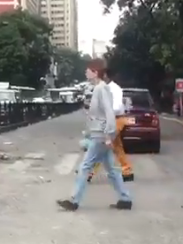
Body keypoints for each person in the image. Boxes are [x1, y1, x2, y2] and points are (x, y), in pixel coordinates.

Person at [57, 59, 132, 211]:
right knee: (111, 170)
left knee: (85, 167)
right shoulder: (99, 88)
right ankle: (125, 198)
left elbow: (109, 114)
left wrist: (108, 135)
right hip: (99, 135)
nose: (86, 72)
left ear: (95, 72)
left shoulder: (101, 89)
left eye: (88, 70)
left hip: (100, 137)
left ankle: (74, 200)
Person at [88, 68, 134, 183]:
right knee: (117, 146)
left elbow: (117, 107)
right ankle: (127, 171)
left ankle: (89, 171)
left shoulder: (115, 89)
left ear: (106, 76)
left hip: (117, 119)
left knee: (102, 143)